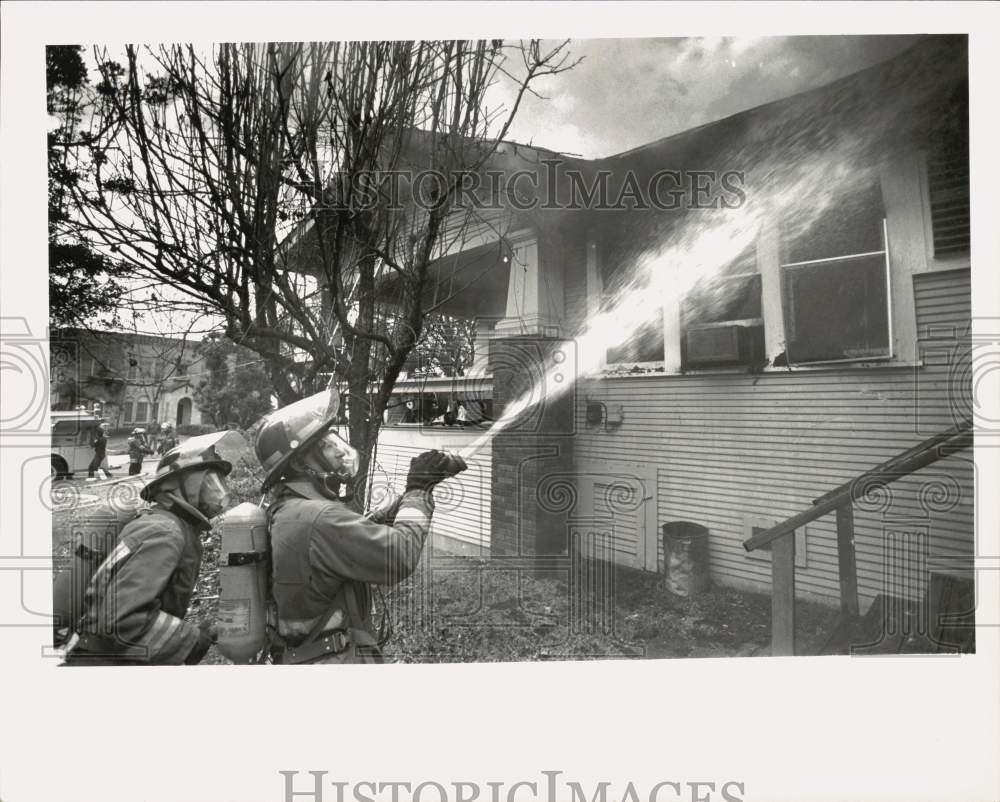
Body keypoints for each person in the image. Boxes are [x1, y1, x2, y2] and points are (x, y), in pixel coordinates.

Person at [253, 387, 466, 664]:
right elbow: (397, 556)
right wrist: (417, 490)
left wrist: (416, 490)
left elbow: (352, 534)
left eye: (333, 441)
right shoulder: (319, 519)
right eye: (326, 446)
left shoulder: (291, 509)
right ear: (303, 462)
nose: (340, 453)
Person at [64, 433, 236, 665]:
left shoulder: (168, 525)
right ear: (176, 485)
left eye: (217, 481)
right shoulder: (164, 532)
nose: (217, 492)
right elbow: (121, 622)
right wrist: (192, 639)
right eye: (206, 481)